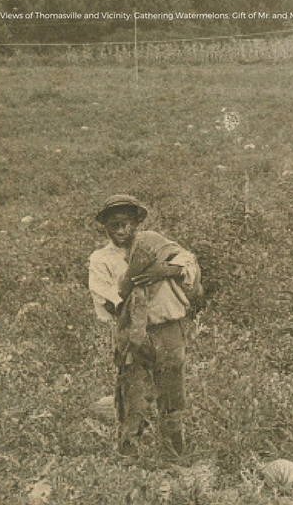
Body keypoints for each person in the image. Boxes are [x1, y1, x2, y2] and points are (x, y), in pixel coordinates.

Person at [88, 195, 201, 457]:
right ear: (105, 227)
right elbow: (106, 301)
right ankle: (130, 454)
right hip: (132, 334)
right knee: (133, 393)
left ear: (136, 224)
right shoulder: (101, 259)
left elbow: (187, 263)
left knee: (171, 390)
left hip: (167, 328)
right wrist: (130, 285)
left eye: (126, 224)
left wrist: (163, 271)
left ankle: (173, 453)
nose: (120, 231)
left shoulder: (155, 245)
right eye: (114, 225)